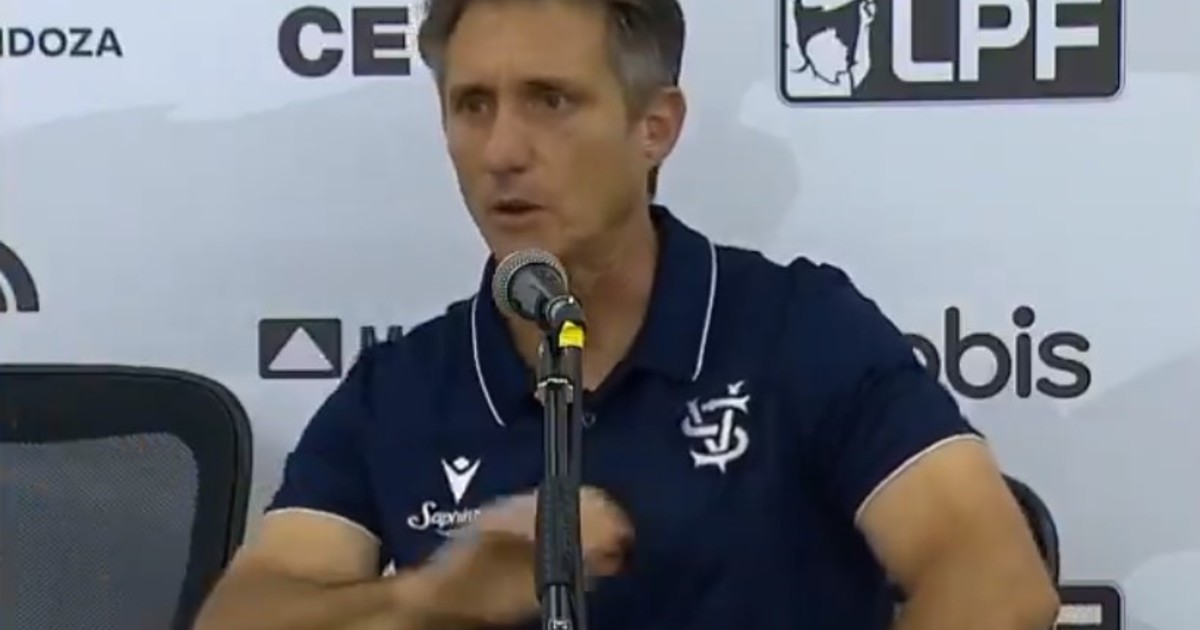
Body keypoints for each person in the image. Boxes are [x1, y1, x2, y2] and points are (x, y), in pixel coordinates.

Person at [194, 0, 1061, 628]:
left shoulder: (799, 328)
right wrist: (429, 598)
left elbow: (995, 584)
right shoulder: (402, 388)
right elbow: (247, 614)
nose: (502, 151)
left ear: (655, 127)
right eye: (472, 105)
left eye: (550, 100)